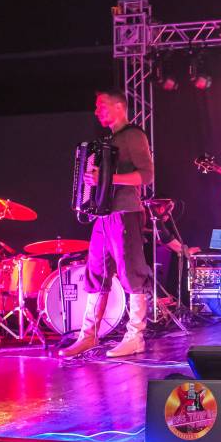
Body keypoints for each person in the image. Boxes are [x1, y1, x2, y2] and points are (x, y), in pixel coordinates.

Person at [59, 89, 154, 358]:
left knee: (131, 273)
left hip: (125, 213)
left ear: (120, 107)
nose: (96, 111)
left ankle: (135, 336)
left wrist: (108, 178)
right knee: (96, 272)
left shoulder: (133, 135)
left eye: (102, 106)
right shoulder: (110, 141)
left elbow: (146, 175)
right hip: (104, 216)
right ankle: (88, 336)